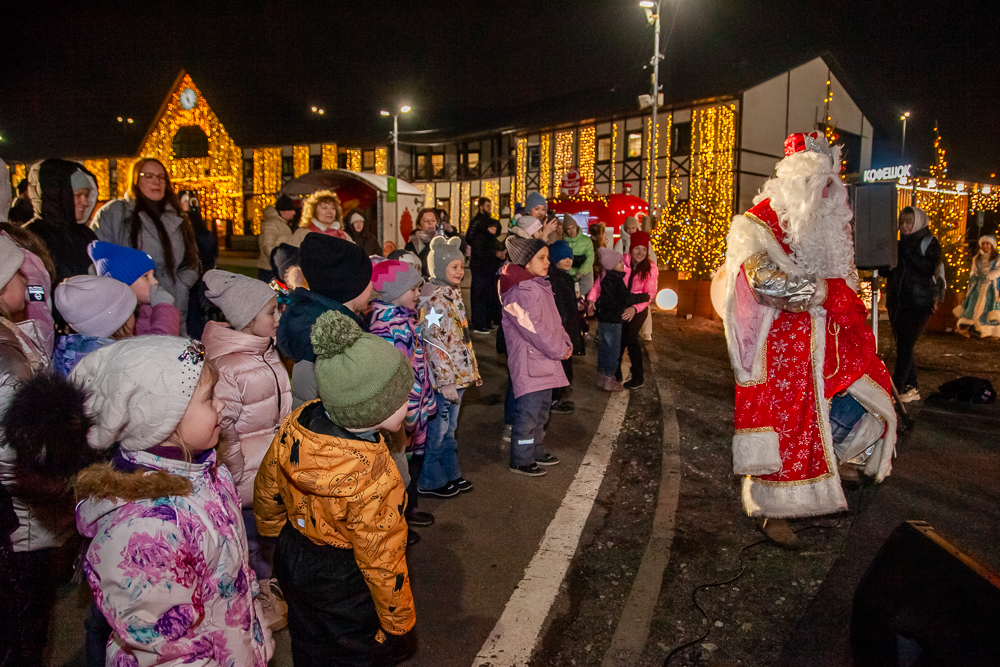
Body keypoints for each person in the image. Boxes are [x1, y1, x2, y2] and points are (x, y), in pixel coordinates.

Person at [722, 131, 897, 549]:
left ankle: (831, 465)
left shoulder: (827, 227)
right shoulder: (757, 224)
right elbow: (765, 281)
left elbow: (845, 277)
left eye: (832, 185)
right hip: (783, 352)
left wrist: (845, 299)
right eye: (819, 185)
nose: (828, 194)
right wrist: (825, 292)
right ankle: (773, 507)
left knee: (867, 401)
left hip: (835, 344)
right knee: (786, 431)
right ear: (796, 184)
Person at [71, 337, 272, 666]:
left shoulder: (207, 472)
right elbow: (167, 653)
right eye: (209, 398)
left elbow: (227, 574)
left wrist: (253, 635)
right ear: (164, 421)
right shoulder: (145, 530)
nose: (221, 404)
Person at [254, 310, 416, 666]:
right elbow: (382, 559)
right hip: (345, 574)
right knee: (355, 647)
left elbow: (268, 483)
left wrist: (270, 531)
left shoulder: (298, 424)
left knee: (309, 636)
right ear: (371, 410)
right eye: (402, 397)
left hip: (294, 553)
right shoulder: (375, 476)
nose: (410, 399)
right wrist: (399, 625)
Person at [199, 269, 291, 630]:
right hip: (247, 481)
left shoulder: (263, 352)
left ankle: (267, 586)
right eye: (271, 312)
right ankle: (254, 597)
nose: (278, 317)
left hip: (268, 471)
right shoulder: (229, 366)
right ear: (246, 319)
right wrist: (237, 478)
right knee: (250, 543)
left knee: (268, 538)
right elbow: (226, 433)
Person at [0, 234, 73, 667]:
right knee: (24, 621)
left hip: (25, 509)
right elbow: (15, 445)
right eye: (15, 274)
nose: (25, 281)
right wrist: (49, 477)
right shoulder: (6, 353)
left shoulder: (14, 336)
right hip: (21, 516)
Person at [91, 158, 201, 334]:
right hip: (130, 307)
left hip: (173, 301)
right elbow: (100, 260)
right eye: (148, 176)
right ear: (135, 179)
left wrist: (181, 285)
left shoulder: (178, 216)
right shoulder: (114, 213)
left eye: (161, 177)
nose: (156, 181)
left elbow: (191, 260)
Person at [367, 259, 437, 533]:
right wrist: (411, 406)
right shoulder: (388, 328)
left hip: (415, 408)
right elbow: (396, 376)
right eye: (413, 290)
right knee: (399, 469)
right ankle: (399, 520)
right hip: (404, 411)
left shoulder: (406, 319)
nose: (418, 295)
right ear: (395, 293)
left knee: (412, 463)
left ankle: (411, 507)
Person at [500, 236, 571, 477]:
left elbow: (554, 320)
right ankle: (521, 459)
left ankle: (536, 450)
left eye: (547, 257)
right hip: (531, 362)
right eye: (541, 258)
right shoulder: (519, 292)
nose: (547, 262)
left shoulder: (540, 285)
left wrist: (565, 340)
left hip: (546, 361)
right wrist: (559, 349)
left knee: (541, 413)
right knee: (528, 415)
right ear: (525, 262)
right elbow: (534, 329)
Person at [276, 234, 373, 407]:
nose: (373, 286)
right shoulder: (340, 343)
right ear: (352, 287)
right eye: (368, 279)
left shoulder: (312, 324)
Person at [417, 236, 480, 497]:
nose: (459, 271)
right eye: (453, 267)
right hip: (446, 382)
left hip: (458, 377)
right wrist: (445, 381)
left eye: (461, 266)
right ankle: (430, 478)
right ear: (439, 269)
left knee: (450, 429)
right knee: (439, 431)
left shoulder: (453, 296)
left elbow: (460, 339)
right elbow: (435, 345)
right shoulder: (435, 302)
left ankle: (449, 471)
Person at [884, 205, 941, 402]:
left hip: (919, 302)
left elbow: (930, 267)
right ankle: (911, 386)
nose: (904, 226)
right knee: (903, 343)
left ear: (917, 222)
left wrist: (909, 253)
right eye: (902, 222)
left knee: (906, 344)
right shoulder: (898, 244)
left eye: (909, 222)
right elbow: (888, 271)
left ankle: (897, 388)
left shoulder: (929, 242)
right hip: (898, 301)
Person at [589, 231, 656, 390]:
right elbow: (600, 283)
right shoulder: (620, 261)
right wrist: (591, 299)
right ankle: (613, 375)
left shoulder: (651, 267)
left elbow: (650, 293)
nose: (640, 253)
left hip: (637, 309)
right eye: (637, 248)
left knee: (630, 338)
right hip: (618, 308)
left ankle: (636, 376)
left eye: (644, 249)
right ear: (631, 248)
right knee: (616, 341)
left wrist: (634, 308)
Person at [24, 159, 99, 288]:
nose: (86, 203)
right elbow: (33, 288)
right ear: (59, 196)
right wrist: (40, 307)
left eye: (87, 195)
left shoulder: (86, 235)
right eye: (78, 195)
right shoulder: (32, 237)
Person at [88, 240, 180, 336]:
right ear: (124, 284)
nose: (155, 282)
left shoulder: (146, 310)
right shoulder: (122, 324)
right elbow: (156, 347)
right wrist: (165, 309)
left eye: (153, 275)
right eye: (146, 276)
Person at [51, 275, 137, 376]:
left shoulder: (67, 354)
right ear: (118, 322)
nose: (135, 317)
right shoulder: (118, 364)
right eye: (132, 311)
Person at [546, 240, 581, 413]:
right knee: (558, 364)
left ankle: (557, 397)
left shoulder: (564, 276)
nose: (568, 260)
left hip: (566, 326)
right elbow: (559, 307)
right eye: (563, 257)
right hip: (561, 328)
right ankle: (554, 400)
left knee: (563, 363)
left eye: (570, 257)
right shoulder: (555, 278)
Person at [468, 198, 505, 333]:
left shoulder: (489, 236)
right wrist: (494, 254)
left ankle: (486, 321)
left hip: (489, 267)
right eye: (487, 206)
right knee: (480, 294)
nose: (490, 209)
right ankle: (480, 322)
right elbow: (477, 247)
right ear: (481, 207)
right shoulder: (479, 229)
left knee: (488, 294)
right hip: (481, 266)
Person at [954, 235, 1000, 338]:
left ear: (992, 246)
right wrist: (973, 279)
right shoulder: (977, 258)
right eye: (983, 243)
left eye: (988, 244)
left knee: (987, 309)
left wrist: (989, 275)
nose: (985, 246)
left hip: (991, 287)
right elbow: (973, 271)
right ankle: (966, 327)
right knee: (972, 307)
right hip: (978, 286)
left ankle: (987, 331)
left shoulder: (997, 258)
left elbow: (998, 270)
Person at [257, 194, 297, 281]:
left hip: (279, 269)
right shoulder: (271, 223)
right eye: (291, 210)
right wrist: (278, 263)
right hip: (270, 270)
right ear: (283, 211)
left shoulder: (283, 224)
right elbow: (267, 246)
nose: (294, 213)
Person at [562, 215, 596, 296]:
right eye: (569, 229)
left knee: (587, 285)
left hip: (585, 270)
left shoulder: (586, 240)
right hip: (569, 270)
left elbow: (590, 258)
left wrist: (581, 272)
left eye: (573, 228)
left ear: (576, 227)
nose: (572, 231)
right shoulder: (563, 242)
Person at [405, 208, 439, 277]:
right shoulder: (411, 244)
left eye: (433, 220)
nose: (430, 223)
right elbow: (420, 264)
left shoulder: (442, 241)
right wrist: (432, 243)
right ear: (419, 226)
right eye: (426, 221)